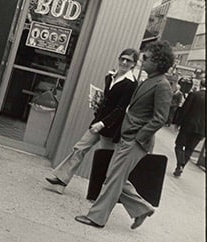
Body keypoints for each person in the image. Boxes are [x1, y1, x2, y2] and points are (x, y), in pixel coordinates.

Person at [75, 40, 174, 229]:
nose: (141, 61)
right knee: (115, 176)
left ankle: (97, 217)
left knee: (113, 178)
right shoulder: (149, 80)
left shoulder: (162, 85)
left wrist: (139, 136)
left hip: (136, 141)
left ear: (158, 61)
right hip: (128, 137)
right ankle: (142, 208)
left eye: (146, 58)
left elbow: (160, 118)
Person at [44, 49, 139, 194]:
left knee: (105, 160)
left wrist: (102, 123)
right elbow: (107, 101)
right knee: (80, 148)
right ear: (118, 58)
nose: (124, 62)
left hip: (111, 127)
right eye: (123, 59)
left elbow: (120, 109)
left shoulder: (131, 84)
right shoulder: (110, 76)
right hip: (98, 122)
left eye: (129, 61)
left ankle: (102, 193)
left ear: (133, 64)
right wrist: (96, 103)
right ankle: (61, 180)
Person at [173, 79, 206, 177]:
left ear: (201, 84)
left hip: (188, 125)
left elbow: (185, 109)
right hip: (201, 130)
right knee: (190, 149)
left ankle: (180, 163)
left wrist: (178, 123)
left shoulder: (194, 94)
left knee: (179, 145)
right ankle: (181, 166)